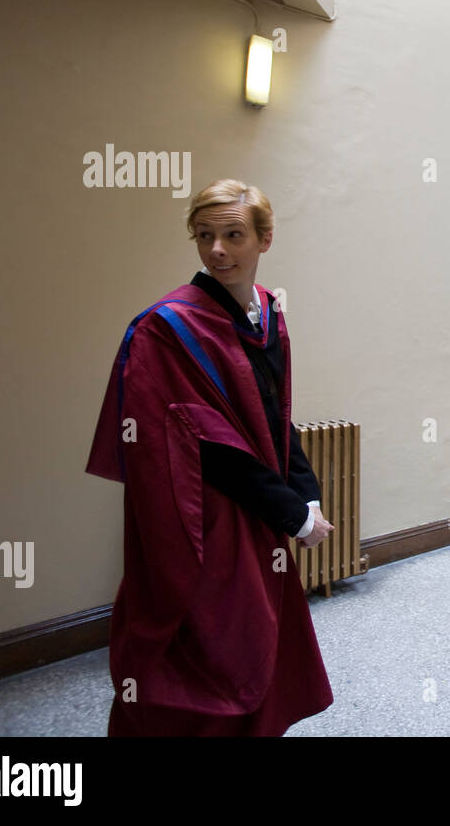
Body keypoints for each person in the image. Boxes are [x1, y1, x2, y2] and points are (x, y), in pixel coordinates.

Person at [87, 178, 334, 736]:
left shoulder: (268, 312)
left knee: (258, 634)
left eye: (233, 235)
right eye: (205, 236)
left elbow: (276, 415)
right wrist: (294, 515)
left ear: (264, 240)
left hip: (261, 509)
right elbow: (208, 445)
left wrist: (307, 490)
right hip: (204, 516)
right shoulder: (168, 327)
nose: (217, 249)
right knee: (209, 646)